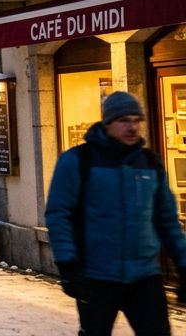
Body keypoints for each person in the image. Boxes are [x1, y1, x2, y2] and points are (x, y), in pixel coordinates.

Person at [46, 91, 186, 335]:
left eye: (136, 120)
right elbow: (59, 214)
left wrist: (183, 263)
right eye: (124, 120)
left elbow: (166, 219)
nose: (132, 127)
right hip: (96, 276)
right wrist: (67, 264)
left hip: (144, 274)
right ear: (108, 123)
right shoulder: (79, 160)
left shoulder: (150, 163)